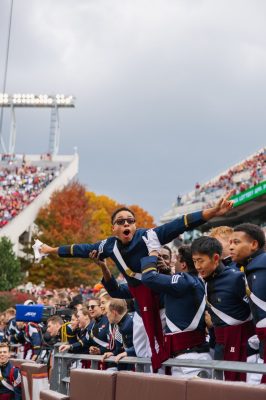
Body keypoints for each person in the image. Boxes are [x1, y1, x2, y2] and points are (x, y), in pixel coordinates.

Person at [40, 192, 234, 370]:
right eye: (120, 221)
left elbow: (181, 223)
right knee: (143, 358)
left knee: (166, 353)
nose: (126, 224)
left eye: (130, 221)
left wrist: (214, 211)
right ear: (113, 228)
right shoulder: (108, 245)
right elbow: (79, 250)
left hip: (165, 306)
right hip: (141, 307)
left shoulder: (149, 236)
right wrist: (51, 250)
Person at [141, 231, 211, 378]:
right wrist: (167, 272)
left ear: (184, 264)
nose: (173, 264)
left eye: (177, 260)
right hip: (187, 355)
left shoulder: (183, 280)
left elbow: (148, 278)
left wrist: (152, 254)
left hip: (191, 358)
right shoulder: (192, 280)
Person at [191, 236, 254, 381]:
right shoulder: (206, 281)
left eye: (201, 261)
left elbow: (254, 309)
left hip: (241, 344)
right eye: (195, 261)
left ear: (216, 258)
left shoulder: (236, 278)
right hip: (219, 345)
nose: (198, 266)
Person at [229, 223, 266, 383]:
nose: (231, 247)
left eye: (236, 242)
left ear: (254, 244)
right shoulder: (249, 269)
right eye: (230, 243)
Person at [103, 299, 135, 370]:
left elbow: (142, 346)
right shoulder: (120, 324)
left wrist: (128, 352)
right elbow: (122, 348)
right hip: (126, 367)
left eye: (107, 313)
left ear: (114, 313)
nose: (106, 316)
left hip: (137, 368)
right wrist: (113, 353)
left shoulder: (131, 323)